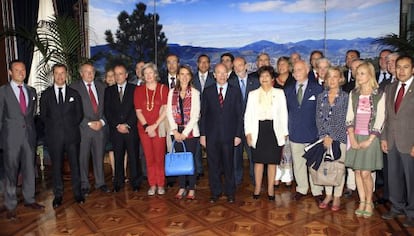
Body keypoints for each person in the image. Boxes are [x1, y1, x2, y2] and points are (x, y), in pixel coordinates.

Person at [0, 60, 44, 220]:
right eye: (17, 70)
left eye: (23, 70)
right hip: (11, 139)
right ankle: (11, 206)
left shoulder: (31, 91)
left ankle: (30, 199)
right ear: (10, 72)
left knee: (29, 170)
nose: (21, 72)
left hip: (29, 138)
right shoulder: (3, 92)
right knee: (11, 173)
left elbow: (31, 116)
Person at [40, 63, 84, 208]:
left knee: (75, 166)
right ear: (53, 75)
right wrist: (55, 129)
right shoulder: (46, 95)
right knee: (56, 168)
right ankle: (58, 195)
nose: (60, 76)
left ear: (67, 75)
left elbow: (79, 115)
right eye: (57, 73)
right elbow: (43, 117)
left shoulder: (74, 94)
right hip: (55, 138)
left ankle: (78, 193)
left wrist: (69, 126)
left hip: (72, 137)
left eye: (62, 73)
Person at [345, 62, 385, 218]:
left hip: (371, 138)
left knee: (366, 173)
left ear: (370, 74)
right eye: (357, 73)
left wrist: (370, 140)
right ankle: (361, 201)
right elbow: (349, 116)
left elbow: (380, 119)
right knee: (357, 171)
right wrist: (352, 138)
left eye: (362, 73)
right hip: (355, 136)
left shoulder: (379, 94)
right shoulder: (353, 93)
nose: (358, 75)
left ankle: (369, 201)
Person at [200, 63, 243, 203]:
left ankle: (230, 193)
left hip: (229, 136)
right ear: (214, 75)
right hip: (212, 136)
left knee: (229, 166)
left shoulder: (235, 91)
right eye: (219, 73)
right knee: (213, 166)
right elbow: (204, 115)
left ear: (228, 74)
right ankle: (215, 192)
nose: (222, 75)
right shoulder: (207, 91)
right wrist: (203, 134)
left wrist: (238, 134)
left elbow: (239, 115)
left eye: (224, 72)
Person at [244, 66, 288, 201]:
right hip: (258, 129)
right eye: (262, 76)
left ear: (272, 78)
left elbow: (284, 114)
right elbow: (248, 115)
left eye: (267, 76)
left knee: (272, 162)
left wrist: (285, 132)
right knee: (258, 161)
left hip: (274, 130)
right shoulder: (253, 94)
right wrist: (248, 133)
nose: (264, 79)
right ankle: (257, 187)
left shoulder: (279, 93)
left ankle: (270, 189)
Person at [381, 55, 414, 228]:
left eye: (406, 67)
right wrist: (384, 138)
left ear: (413, 69)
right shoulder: (390, 88)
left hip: (410, 143)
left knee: (411, 179)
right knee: (394, 176)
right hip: (392, 140)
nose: (401, 70)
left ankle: (412, 212)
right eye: (399, 67)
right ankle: (396, 206)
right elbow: (387, 117)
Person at [284, 60, 324, 202]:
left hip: (313, 134)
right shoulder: (287, 90)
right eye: (294, 70)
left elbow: (321, 112)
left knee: (314, 165)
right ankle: (301, 188)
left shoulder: (318, 89)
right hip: (295, 133)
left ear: (307, 70)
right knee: (299, 164)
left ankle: (317, 191)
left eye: (300, 69)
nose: (296, 72)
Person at [71, 62, 110, 197]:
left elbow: (107, 108)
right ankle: (84, 184)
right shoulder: (74, 88)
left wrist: (102, 121)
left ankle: (100, 183)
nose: (90, 74)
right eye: (86, 72)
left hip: (100, 129)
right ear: (81, 73)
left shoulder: (102, 87)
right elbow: (73, 111)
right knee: (83, 157)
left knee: (99, 157)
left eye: (92, 72)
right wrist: (88, 123)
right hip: (83, 129)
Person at [104, 63, 142, 192]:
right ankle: (118, 182)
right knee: (118, 156)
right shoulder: (108, 90)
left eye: (121, 74)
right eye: (116, 74)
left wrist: (127, 124)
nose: (118, 76)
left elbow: (136, 109)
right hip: (116, 130)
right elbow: (107, 111)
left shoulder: (134, 89)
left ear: (126, 75)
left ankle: (135, 182)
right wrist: (117, 125)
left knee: (133, 156)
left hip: (131, 129)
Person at [315, 66, 348, 211]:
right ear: (326, 80)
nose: (332, 80)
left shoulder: (346, 97)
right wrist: (324, 136)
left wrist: (332, 137)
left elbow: (344, 119)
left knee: (338, 168)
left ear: (340, 78)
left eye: (335, 76)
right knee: (326, 168)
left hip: (339, 138)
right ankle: (328, 195)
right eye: (330, 77)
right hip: (323, 138)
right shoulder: (320, 96)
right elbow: (318, 118)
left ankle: (337, 196)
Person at [134, 62, 169, 196]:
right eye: (145, 73)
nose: (148, 75)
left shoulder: (163, 88)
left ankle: (160, 184)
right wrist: (147, 127)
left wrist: (154, 125)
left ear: (155, 74)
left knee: (159, 157)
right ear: (143, 76)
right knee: (148, 158)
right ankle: (152, 184)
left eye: (151, 73)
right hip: (144, 129)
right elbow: (138, 111)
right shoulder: (138, 90)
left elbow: (165, 110)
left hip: (159, 128)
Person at [166, 65, 200, 200]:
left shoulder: (195, 93)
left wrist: (184, 134)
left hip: (190, 133)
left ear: (190, 77)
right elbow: (169, 112)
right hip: (175, 131)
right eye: (182, 74)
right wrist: (175, 131)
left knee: (190, 160)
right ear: (178, 76)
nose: (184, 77)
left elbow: (195, 116)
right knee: (179, 161)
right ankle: (181, 187)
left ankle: (191, 187)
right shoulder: (171, 92)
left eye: (187, 74)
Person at [229, 56, 260, 186]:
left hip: (252, 127)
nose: (237, 69)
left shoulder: (256, 82)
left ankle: (255, 180)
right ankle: (237, 180)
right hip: (235, 126)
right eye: (235, 67)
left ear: (246, 66)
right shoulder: (230, 83)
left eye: (240, 65)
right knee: (236, 156)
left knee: (253, 155)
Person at [103, 68, 128, 183]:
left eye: (112, 75)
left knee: (123, 150)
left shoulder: (123, 89)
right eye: (108, 76)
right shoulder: (105, 90)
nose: (111, 78)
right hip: (109, 125)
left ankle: (123, 172)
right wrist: (116, 124)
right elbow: (106, 110)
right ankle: (115, 173)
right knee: (113, 149)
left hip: (123, 126)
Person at [192, 54, 215, 178]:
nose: (204, 64)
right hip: (194, 118)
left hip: (210, 118)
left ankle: (213, 169)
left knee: (210, 144)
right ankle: (198, 169)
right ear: (197, 64)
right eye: (201, 62)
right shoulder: (191, 79)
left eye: (206, 62)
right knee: (196, 145)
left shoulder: (214, 78)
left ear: (209, 64)